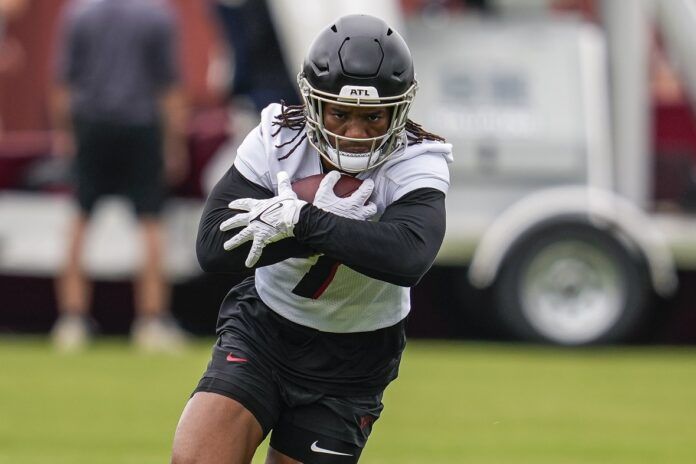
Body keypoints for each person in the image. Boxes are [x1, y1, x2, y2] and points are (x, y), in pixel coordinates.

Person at [171, 14, 452, 463]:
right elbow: (211, 246)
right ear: (314, 103)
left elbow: (409, 256)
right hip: (265, 327)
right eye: (341, 114)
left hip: (354, 354)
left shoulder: (417, 159)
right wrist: (309, 226)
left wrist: (302, 221)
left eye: (373, 118)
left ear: (399, 110)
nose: (355, 135)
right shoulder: (279, 137)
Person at [50, 0, 188, 351]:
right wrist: (174, 143)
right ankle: (151, 321)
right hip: (141, 127)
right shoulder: (158, 16)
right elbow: (169, 86)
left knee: (79, 219)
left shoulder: (79, 14)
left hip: (92, 126)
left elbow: (63, 82)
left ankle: (71, 319)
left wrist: (64, 133)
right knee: (151, 223)